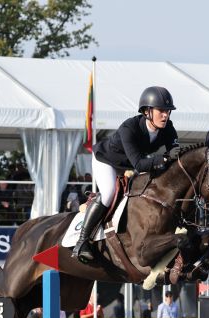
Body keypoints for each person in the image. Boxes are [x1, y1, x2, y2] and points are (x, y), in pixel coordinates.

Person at [75, 86, 179, 263]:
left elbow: (175, 154)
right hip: (106, 161)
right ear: (147, 111)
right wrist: (164, 158)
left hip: (129, 164)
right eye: (161, 111)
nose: (165, 115)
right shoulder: (129, 128)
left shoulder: (168, 129)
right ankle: (82, 241)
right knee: (108, 193)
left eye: (168, 111)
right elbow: (139, 164)